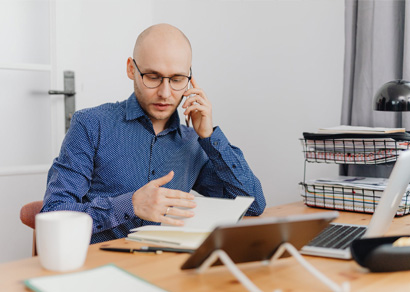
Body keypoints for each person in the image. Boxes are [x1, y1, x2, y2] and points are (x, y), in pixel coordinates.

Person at [42, 23, 266, 244]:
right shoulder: (91, 125)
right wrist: (130, 205)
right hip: (99, 267)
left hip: (165, 268)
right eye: (152, 76)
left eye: (177, 79)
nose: (165, 93)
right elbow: (54, 212)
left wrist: (209, 136)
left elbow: (253, 205)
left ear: (190, 78)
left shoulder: (193, 142)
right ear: (131, 69)